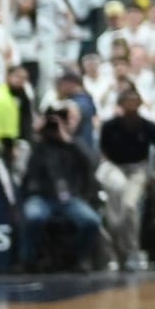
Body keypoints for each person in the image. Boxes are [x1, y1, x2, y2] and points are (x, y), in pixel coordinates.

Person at [20, 109, 101, 271]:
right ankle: (28, 260)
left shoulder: (74, 145)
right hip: (41, 197)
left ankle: (77, 259)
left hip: (69, 199)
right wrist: (36, 132)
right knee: (33, 217)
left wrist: (68, 139)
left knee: (91, 221)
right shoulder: (38, 146)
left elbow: (90, 163)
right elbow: (27, 169)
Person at [97, 86, 155, 270]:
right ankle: (114, 253)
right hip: (114, 167)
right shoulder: (109, 126)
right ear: (120, 104)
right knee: (115, 213)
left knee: (129, 205)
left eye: (134, 101)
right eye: (127, 101)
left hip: (137, 169)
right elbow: (103, 150)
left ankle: (133, 250)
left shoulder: (149, 126)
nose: (131, 105)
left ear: (140, 104)